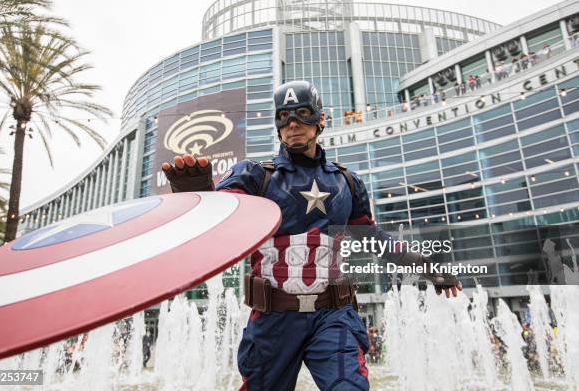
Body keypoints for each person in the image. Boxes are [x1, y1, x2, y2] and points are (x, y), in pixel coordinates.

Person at [161, 80, 462, 390]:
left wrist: (425, 265)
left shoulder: (347, 181)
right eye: (284, 117)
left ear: (320, 120)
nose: (293, 125)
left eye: (302, 114)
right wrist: (198, 192)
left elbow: (372, 237)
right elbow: (217, 219)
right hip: (273, 318)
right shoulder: (254, 176)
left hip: (333, 314)